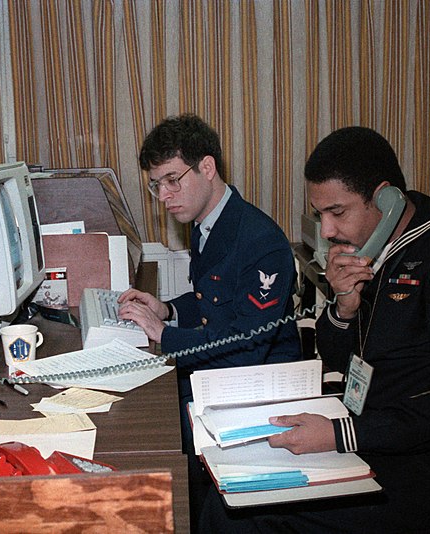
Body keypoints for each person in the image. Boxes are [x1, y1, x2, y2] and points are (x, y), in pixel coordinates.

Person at [200, 126, 430, 532]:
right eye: (320, 215)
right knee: (224, 492)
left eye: (338, 212)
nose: (327, 231)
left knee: (242, 517)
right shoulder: (375, 251)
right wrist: (344, 306)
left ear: (385, 198)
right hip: (373, 438)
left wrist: (340, 434)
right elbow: (338, 359)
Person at [118, 113, 302, 532]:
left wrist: (164, 335)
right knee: (139, 413)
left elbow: (247, 343)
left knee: (154, 429)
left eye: (172, 180)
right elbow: (214, 302)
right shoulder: (208, 223)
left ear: (207, 167)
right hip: (221, 373)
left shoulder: (259, 240)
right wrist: (169, 309)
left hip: (259, 389)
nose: (164, 195)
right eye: (156, 185)